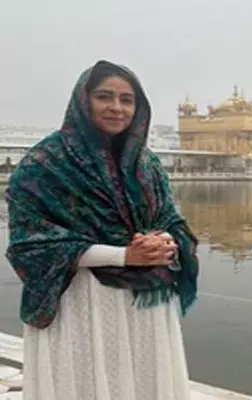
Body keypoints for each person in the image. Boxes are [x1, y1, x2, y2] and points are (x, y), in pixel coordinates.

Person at [5, 60, 200, 400]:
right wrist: (124, 255)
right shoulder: (45, 165)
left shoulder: (146, 163)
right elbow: (30, 244)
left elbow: (171, 221)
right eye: (104, 96)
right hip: (81, 303)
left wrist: (163, 242)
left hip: (143, 304)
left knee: (141, 383)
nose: (116, 107)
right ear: (83, 100)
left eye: (127, 100)